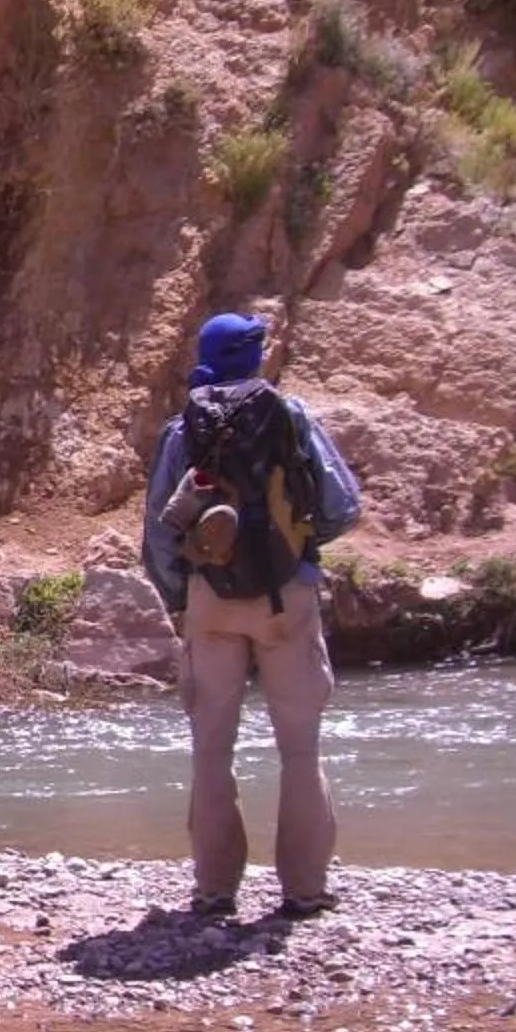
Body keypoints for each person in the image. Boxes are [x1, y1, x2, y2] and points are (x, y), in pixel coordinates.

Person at [138, 311, 363, 921]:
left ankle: (214, 891)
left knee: (212, 749)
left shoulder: (181, 429)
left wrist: (186, 598)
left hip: (210, 598)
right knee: (300, 750)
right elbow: (343, 508)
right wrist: (295, 545)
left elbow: (158, 535)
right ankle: (305, 891)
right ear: (254, 357)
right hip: (285, 596)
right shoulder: (289, 415)